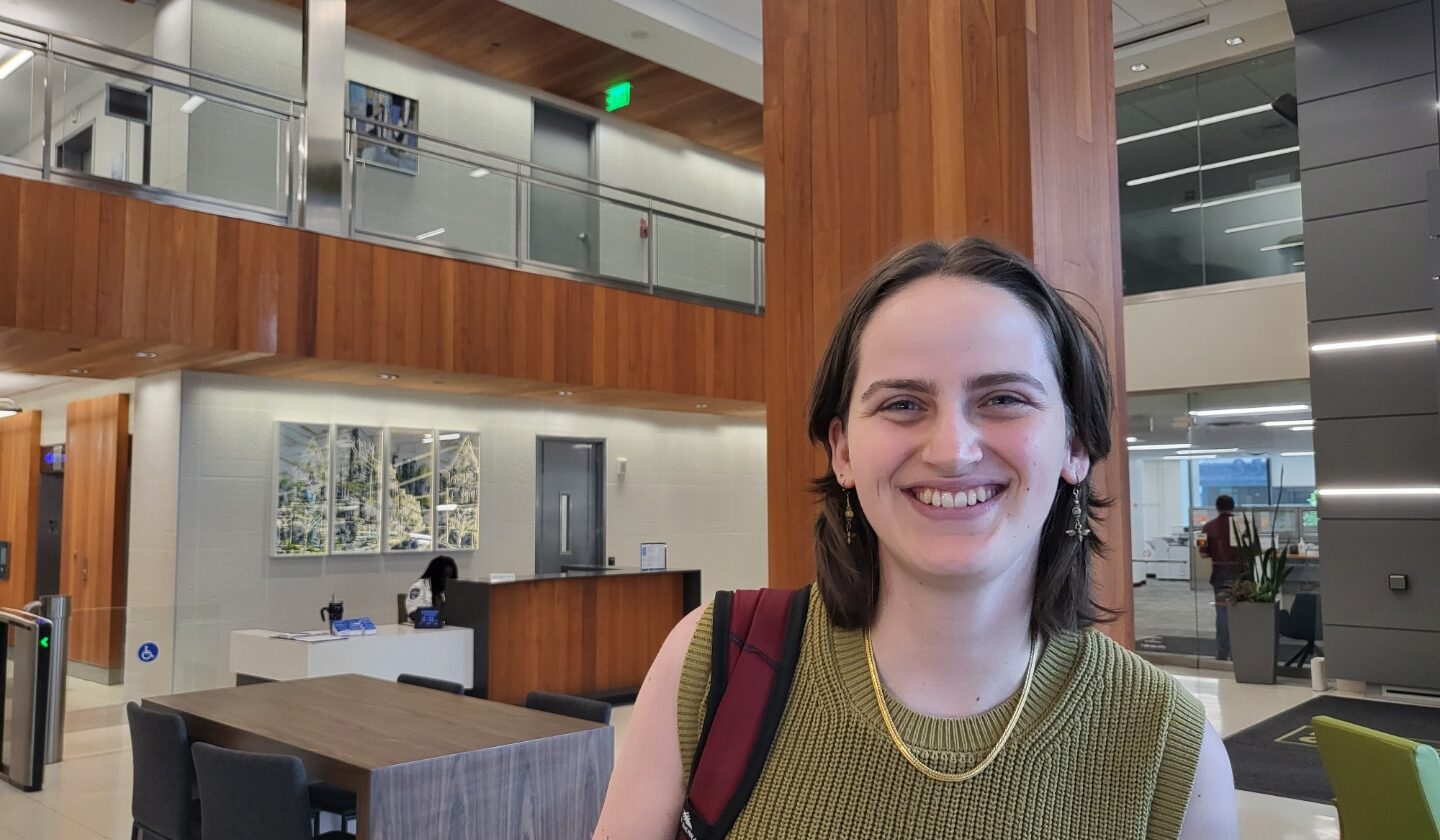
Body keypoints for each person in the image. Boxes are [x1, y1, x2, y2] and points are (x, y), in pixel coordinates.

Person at [594, 239, 1237, 839]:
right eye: (903, 405)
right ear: (842, 450)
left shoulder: (1170, 750)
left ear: (1073, 444)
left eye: (1004, 399)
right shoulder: (714, 665)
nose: (953, 452)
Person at [1201, 495, 1242, 661]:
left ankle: (1222, 652)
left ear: (1216, 508)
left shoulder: (1208, 527)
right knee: (1240, 613)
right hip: (1240, 574)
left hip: (1219, 574)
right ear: (1233, 507)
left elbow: (1203, 552)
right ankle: (1239, 651)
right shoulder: (1241, 525)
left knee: (1222, 613)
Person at [405, 555, 458, 621]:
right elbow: (413, 614)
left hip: (447, 628)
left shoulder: (451, 589)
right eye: (443, 577)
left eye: (450, 577)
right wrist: (439, 615)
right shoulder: (418, 587)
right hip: (421, 629)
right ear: (435, 575)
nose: (446, 580)